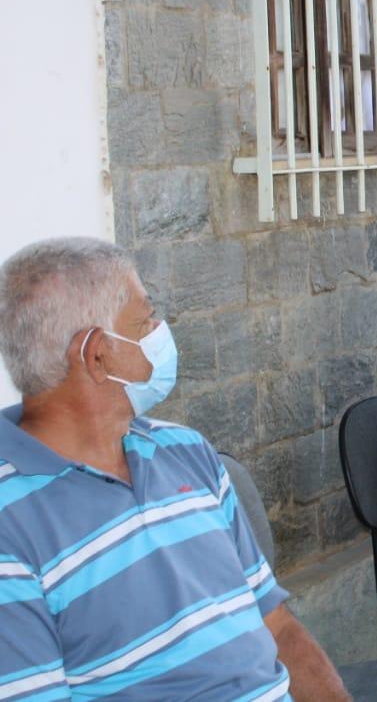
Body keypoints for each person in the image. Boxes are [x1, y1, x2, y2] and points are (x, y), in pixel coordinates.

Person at [0, 238, 350, 700]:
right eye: (144, 320)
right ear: (97, 354)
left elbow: (278, 628)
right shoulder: (11, 522)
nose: (160, 330)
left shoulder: (185, 451)